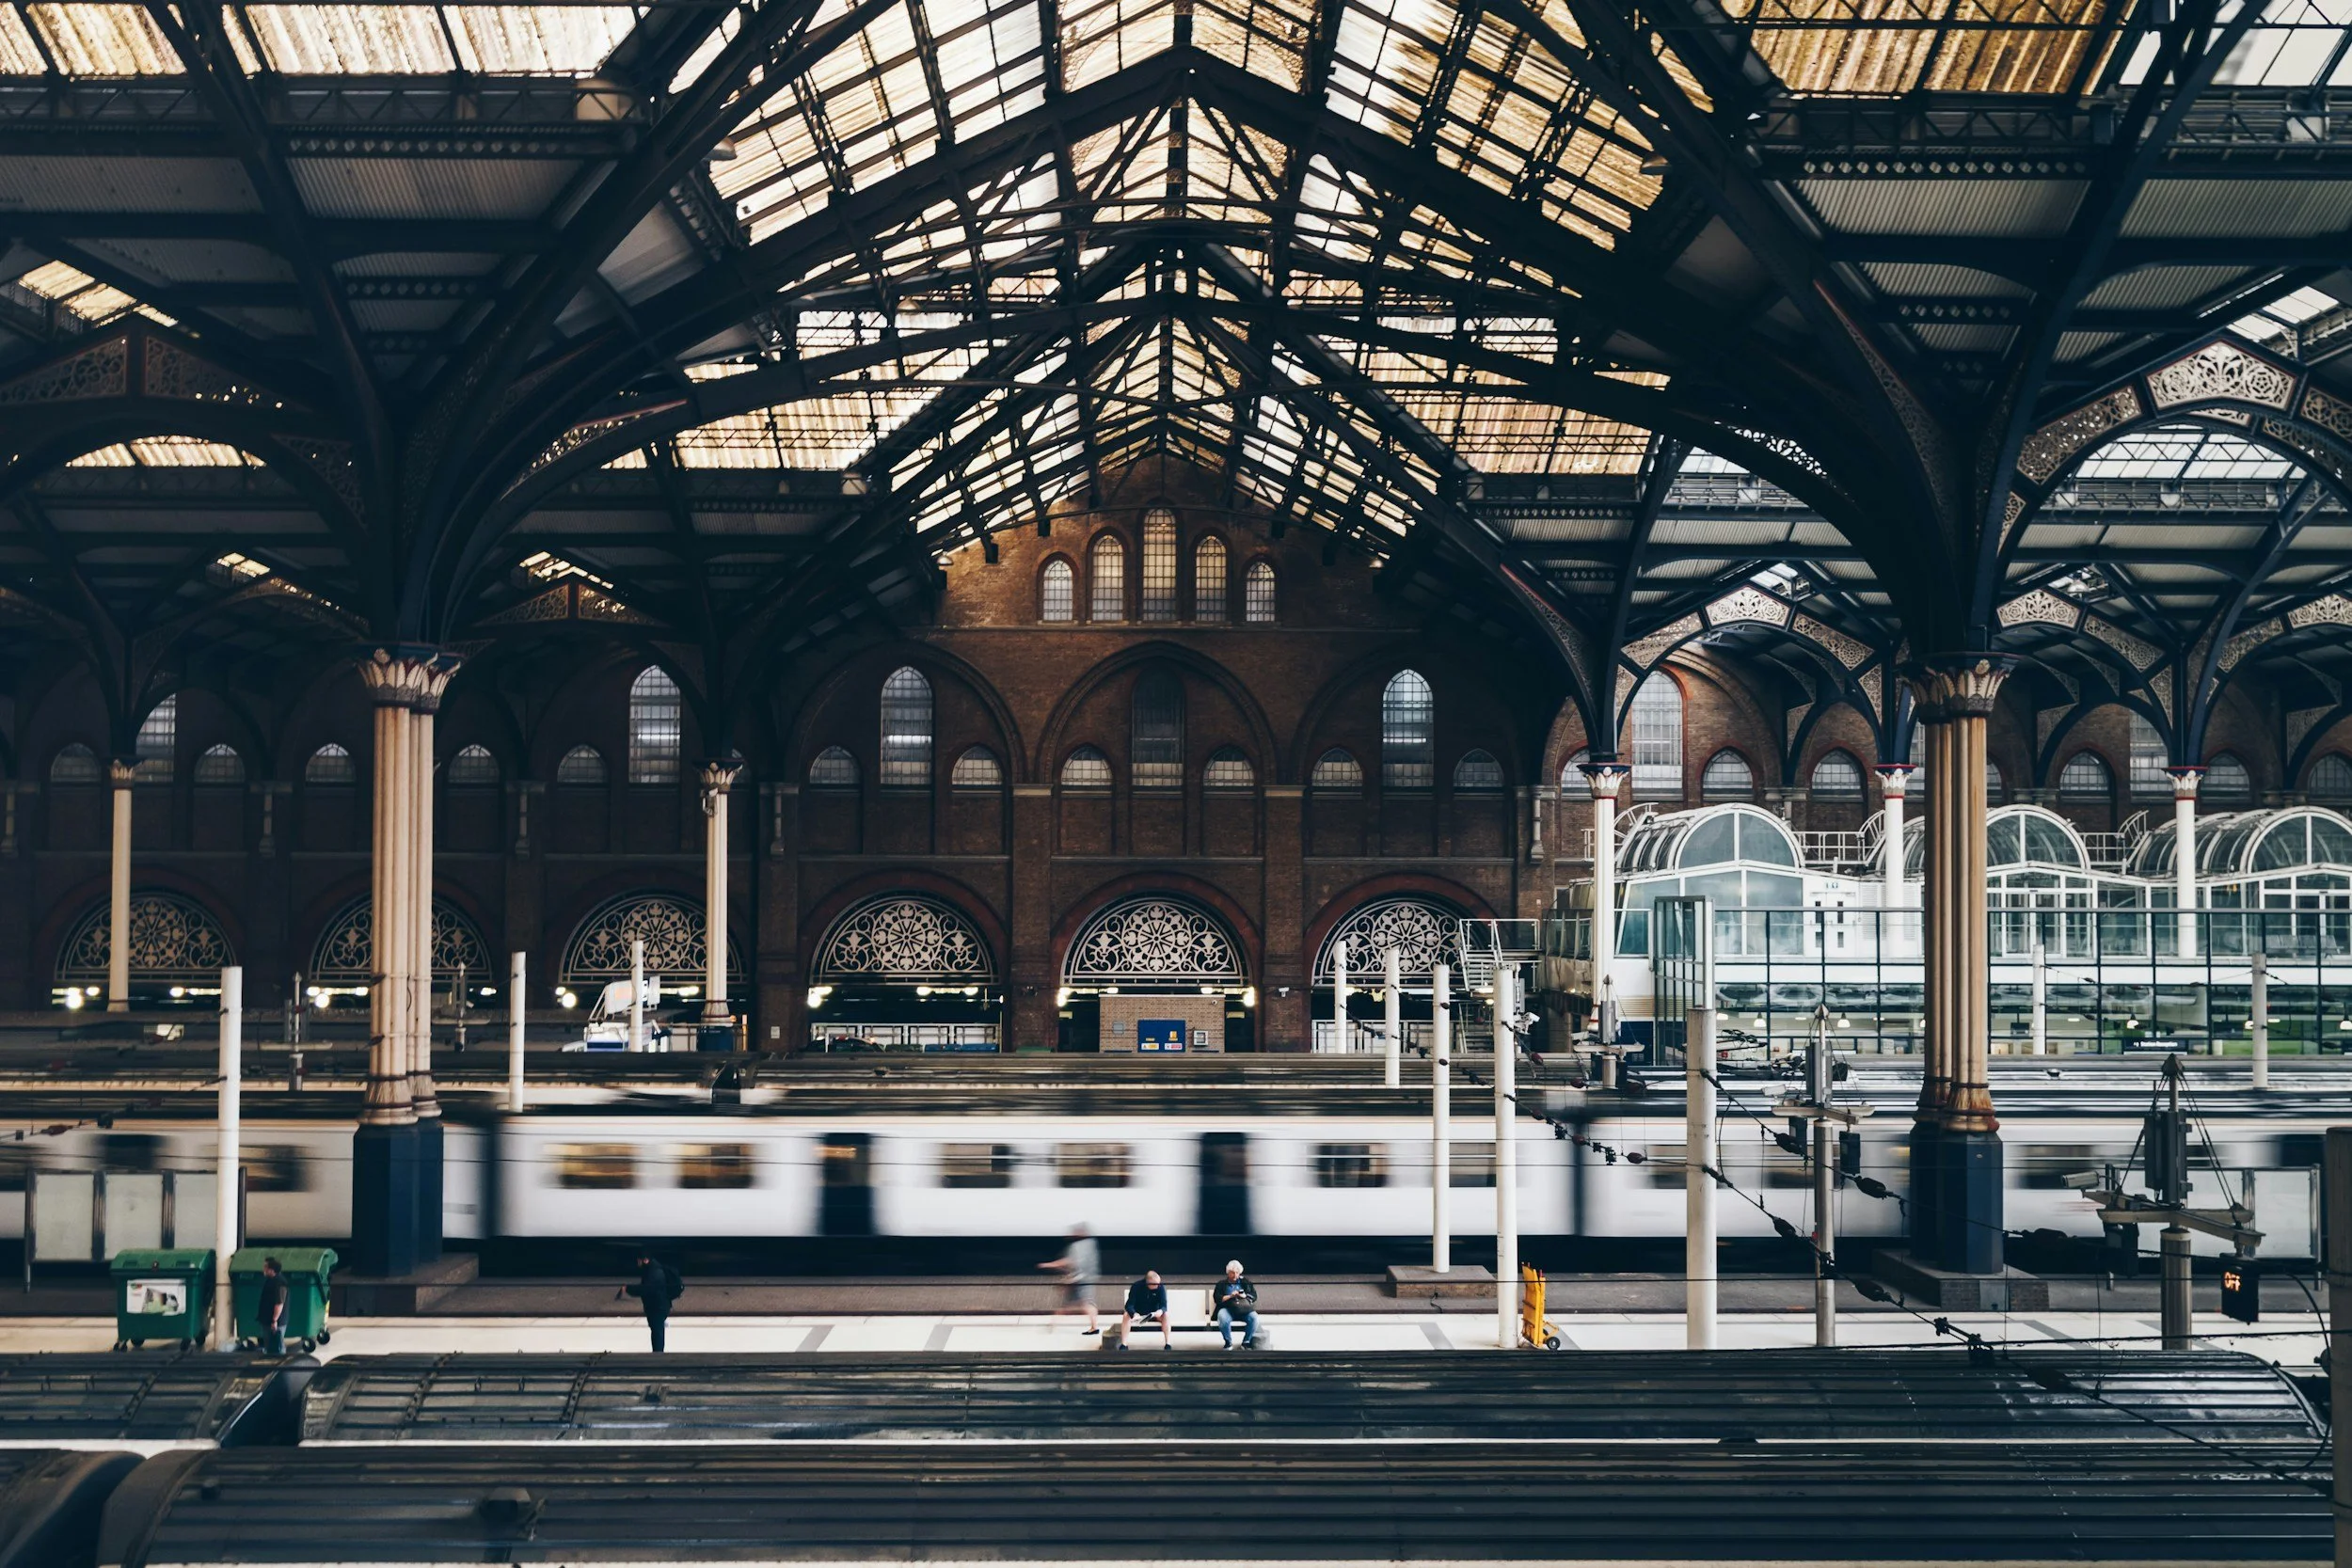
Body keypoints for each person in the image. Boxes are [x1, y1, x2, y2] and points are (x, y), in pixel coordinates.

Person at [1038, 1224, 1100, 1335]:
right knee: (1080, 1303)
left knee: (1082, 1303)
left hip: (1080, 1280)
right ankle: (1053, 1323)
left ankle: (1094, 1327)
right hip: (1085, 1278)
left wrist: (1051, 1265)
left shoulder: (1078, 1246)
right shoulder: (1090, 1244)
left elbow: (1072, 1261)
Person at [621, 1252, 684, 1352]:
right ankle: (657, 1353)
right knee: (656, 1331)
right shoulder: (651, 1270)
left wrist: (629, 1289)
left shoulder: (654, 1273)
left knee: (657, 1332)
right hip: (657, 1306)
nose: (638, 1263)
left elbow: (646, 1289)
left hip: (657, 1307)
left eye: (639, 1260)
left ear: (645, 1260)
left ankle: (658, 1355)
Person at [1212, 1259, 1260, 1350]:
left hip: (1244, 1309)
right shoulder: (1221, 1284)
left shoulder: (1245, 1282)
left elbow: (1254, 1296)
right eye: (1232, 1273)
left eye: (1237, 1273)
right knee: (1222, 1317)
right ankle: (1228, 1342)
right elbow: (1217, 1298)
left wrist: (1244, 1296)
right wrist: (1230, 1296)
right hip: (1227, 1308)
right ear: (1228, 1273)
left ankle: (1246, 1342)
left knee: (1254, 1318)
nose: (1235, 1275)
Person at [1120, 1268, 1170, 1350]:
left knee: (1166, 1315)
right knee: (1126, 1315)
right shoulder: (1136, 1286)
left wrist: (1160, 1311)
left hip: (1154, 1314)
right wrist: (1134, 1313)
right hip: (1139, 1313)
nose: (1157, 1286)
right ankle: (1124, 1344)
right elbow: (1129, 1305)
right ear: (1148, 1283)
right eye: (1155, 1284)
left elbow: (1164, 1304)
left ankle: (1168, 1343)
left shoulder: (1160, 1287)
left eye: (1158, 1283)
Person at [256, 1257, 288, 1355]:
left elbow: (279, 1303)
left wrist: (274, 1320)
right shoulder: (271, 1280)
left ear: (272, 1270)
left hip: (275, 1322)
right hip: (268, 1320)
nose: (264, 1269)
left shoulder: (280, 1283)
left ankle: (279, 1366)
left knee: (277, 1346)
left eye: (266, 1267)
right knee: (270, 1346)